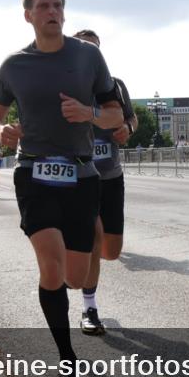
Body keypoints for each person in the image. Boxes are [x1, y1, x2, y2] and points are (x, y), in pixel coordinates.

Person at [0, 0, 123, 377]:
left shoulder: (88, 57)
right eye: (43, 6)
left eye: (57, 6)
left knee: (76, 276)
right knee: (50, 265)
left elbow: (116, 115)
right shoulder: (14, 66)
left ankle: (70, 295)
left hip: (82, 176)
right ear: (28, 14)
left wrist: (90, 113)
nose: (52, 12)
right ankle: (67, 360)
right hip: (34, 173)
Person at [72, 28, 137, 336]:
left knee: (110, 251)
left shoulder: (115, 85)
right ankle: (89, 308)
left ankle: (85, 258)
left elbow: (131, 118)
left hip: (111, 175)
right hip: (80, 176)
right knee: (94, 237)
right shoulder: (67, 85)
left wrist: (127, 128)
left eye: (95, 48)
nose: (91, 53)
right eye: (85, 47)